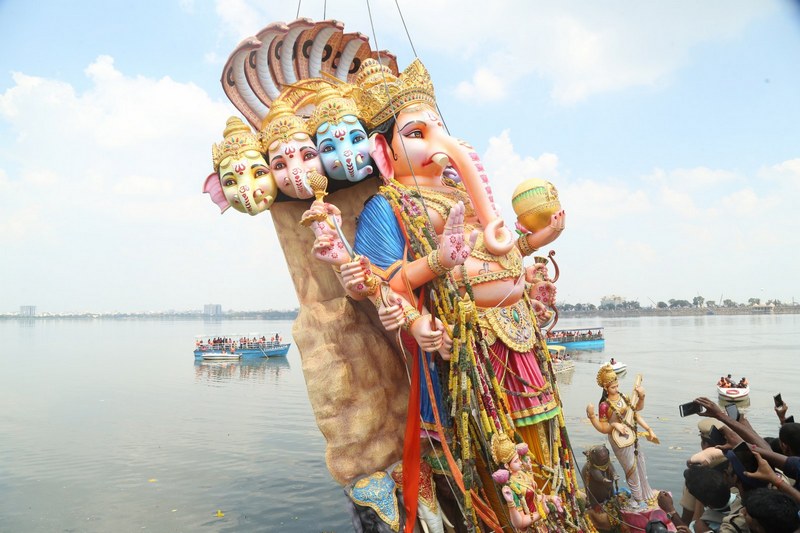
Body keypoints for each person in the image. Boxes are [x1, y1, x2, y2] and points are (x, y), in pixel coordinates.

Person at [587, 364, 658, 507]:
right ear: (606, 388)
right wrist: (603, 421)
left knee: (640, 462)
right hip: (618, 439)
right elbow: (603, 427)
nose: (616, 389)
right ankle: (637, 498)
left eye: (617, 386)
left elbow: (635, 411)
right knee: (630, 467)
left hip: (631, 434)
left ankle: (646, 493)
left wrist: (642, 397)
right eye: (613, 387)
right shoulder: (604, 405)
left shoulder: (623, 397)